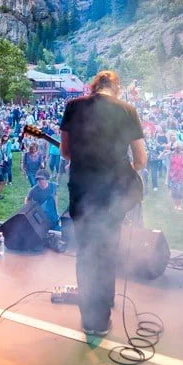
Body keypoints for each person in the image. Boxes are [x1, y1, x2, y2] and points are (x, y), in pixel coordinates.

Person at [60, 71, 146, 336]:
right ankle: (102, 313)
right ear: (116, 88)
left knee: (86, 252)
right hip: (112, 194)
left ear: (94, 86)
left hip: (82, 189)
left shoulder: (73, 107)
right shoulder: (127, 110)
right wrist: (124, 171)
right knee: (108, 249)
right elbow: (141, 158)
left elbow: (65, 152)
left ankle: (90, 318)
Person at [166, 142, 183, 212]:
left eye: (180, 148)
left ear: (182, 148)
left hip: (181, 176)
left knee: (180, 192)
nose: (178, 149)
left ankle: (179, 205)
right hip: (172, 176)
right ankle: (175, 205)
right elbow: (160, 157)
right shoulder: (170, 155)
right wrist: (164, 151)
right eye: (177, 148)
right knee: (174, 192)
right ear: (174, 148)